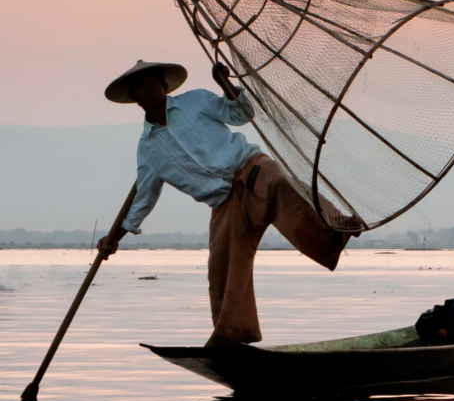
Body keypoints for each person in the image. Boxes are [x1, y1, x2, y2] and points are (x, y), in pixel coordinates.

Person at [95, 59, 358, 346]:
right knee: (221, 271)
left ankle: (336, 226)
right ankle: (233, 337)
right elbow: (143, 199)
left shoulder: (195, 101)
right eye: (140, 88)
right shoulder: (148, 149)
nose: (148, 91)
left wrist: (225, 85)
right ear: (133, 98)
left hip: (249, 167)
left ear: (164, 86)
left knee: (281, 185)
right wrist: (114, 238)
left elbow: (241, 113)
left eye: (152, 84)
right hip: (223, 202)